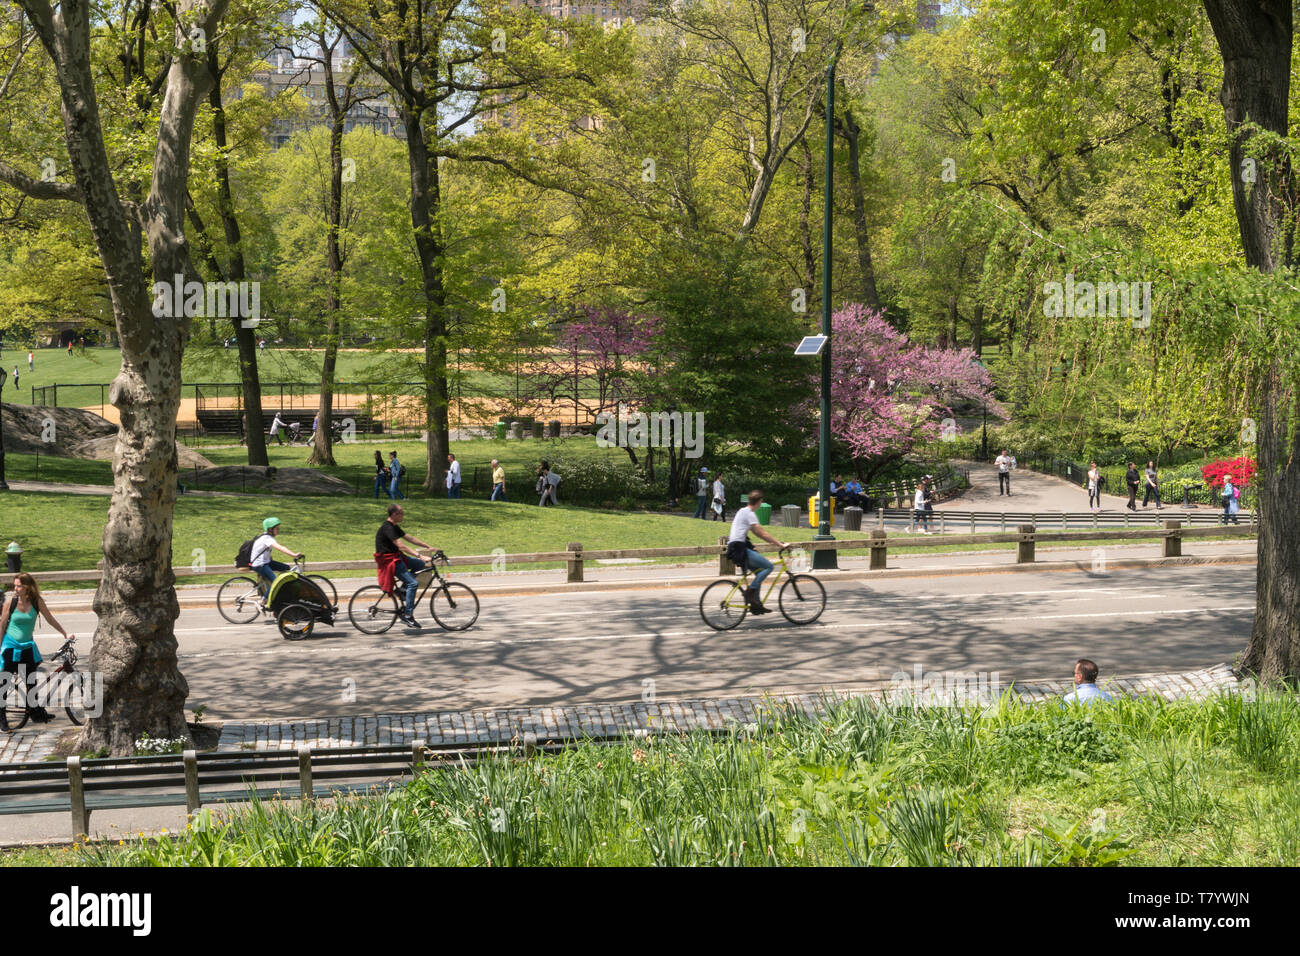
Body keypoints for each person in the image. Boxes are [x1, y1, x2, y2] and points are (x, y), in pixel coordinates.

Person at [0, 573, 74, 730]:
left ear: (27, 586)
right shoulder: (10, 603)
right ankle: (2, 720)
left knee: (31, 684)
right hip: (10, 648)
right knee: (4, 684)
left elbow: (50, 618)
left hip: (27, 648)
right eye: (15, 585)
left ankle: (35, 713)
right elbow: (1, 626)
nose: (15, 589)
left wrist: (64, 633)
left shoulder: (36, 602)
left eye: (18, 586)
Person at [725, 491, 789, 614]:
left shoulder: (742, 511)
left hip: (735, 548)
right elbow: (762, 533)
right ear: (759, 502)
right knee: (769, 567)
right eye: (761, 501)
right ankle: (750, 592)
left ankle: (756, 604)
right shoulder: (750, 514)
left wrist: (775, 542)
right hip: (740, 549)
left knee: (759, 572)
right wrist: (780, 544)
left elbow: (756, 533)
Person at [375, 504, 437, 627]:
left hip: (397, 556)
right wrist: (420, 555)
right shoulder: (387, 528)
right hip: (390, 561)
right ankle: (408, 616)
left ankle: (403, 590)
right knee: (413, 584)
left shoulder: (394, 526)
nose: (403, 515)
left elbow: (409, 538)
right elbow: (402, 545)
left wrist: (427, 546)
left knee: (420, 565)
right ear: (394, 515)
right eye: (401, 513)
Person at [249, 517, 303, 591]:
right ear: (270, 529)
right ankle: (264, 600)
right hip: (260, 565)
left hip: (266, 562)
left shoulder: (267, 537)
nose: (278, 531)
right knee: (275, 582)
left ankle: (283, 589)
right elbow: (280, 548)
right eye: (277, 529)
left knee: (286, 568)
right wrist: (294, 555)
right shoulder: (267, 538)